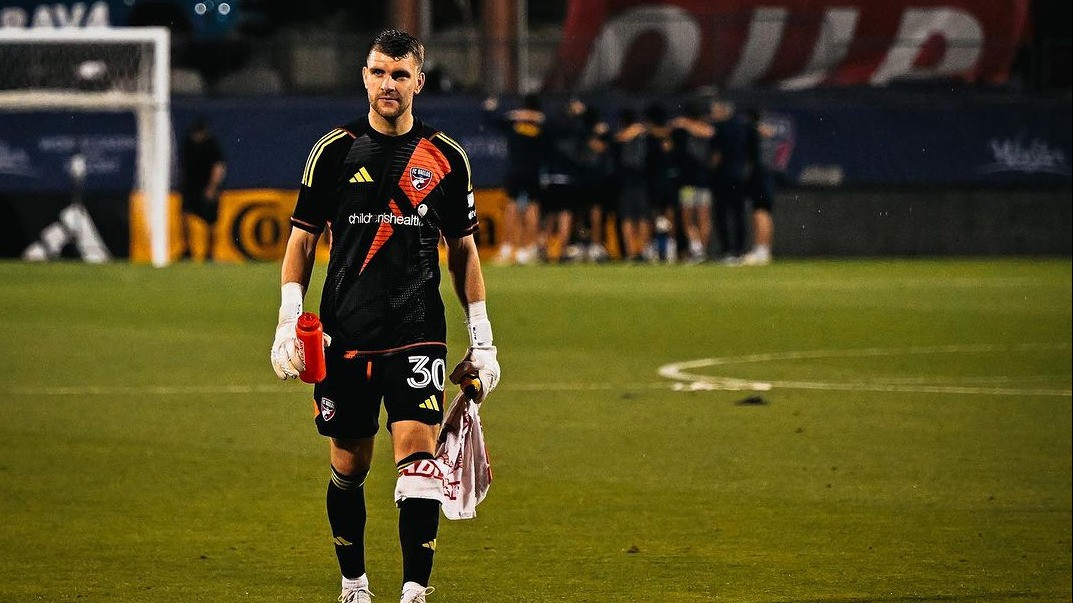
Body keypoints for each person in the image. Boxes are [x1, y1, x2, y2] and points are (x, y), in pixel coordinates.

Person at [268, 30, 501, 603]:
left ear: (419, 80)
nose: (388, 84)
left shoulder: (447, 158)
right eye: (378, 72)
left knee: (418, 463)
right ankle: (354, 583)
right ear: (365, 76)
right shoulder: (334, 151)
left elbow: (464, 251)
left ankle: (415, 592)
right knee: (349, 466)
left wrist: (482, 336)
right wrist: (287, 316)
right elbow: (300, 242)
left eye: (400, 74)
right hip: (343, 333)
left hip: (417, 331)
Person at [482, 94, 545, 265]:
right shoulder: (541, 124)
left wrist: (490, 107)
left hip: (515, 170)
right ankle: (529, 249)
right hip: (533, 171)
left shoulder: (514, 122)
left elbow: (490, 120)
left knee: (512, 206)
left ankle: (507, 248)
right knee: (532, 207)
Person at [671, 100, 715, 263]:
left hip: (688, 182)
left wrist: (684, 124)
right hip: (703, 181)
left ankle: (697, 250)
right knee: (704, 218)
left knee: (688, 219)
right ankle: (701, 251)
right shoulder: (707, 130)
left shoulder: (683, 129)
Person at [709, 97, 749, 264]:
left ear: (723, 111)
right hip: (739, 175)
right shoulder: (741, 127)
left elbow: (716, 156)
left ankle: (727, 250)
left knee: (722, 214)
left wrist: (710, 169)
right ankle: (739, 250)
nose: (712, 114)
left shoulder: (719, 128)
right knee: (738, 213)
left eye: (714, 111)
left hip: (723, 177)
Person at [179, 117, 226, 260]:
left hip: (207, 187)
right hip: (191, 186)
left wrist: (212, 187)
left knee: (211, 222)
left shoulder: (211, 145)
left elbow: (219, 167)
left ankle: (210, 253)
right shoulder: (187, 144)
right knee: (185, 217)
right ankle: (187, 251)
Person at [611, 107, 651, 262]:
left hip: (628, 180)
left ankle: (631, 252)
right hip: (640, 179)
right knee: (641, 216)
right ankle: (641, 251)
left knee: (629, 217)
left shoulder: (621, 136)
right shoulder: (643, 134)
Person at [742, 106, 777, 266]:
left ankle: (760, 250)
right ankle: (764, 250)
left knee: (759, 212)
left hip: (760, 175)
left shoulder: (753, 132)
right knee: (765, 212)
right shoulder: (769, 133)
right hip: (769, 174)